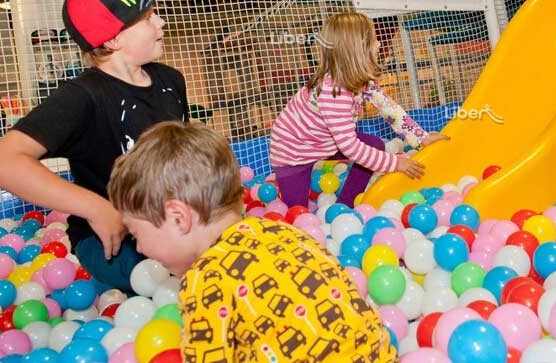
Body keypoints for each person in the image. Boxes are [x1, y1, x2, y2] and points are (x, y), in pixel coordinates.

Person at [108, 120, 396, 361]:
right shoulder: (286, 233)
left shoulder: (206, 278)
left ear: (178, 218)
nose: (141, 248)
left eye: (136, 235)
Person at [0, 0, 188, 292]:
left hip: (172, 224)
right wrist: (96, 208)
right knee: (165, 282)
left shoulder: (170, 81)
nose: (161, 22)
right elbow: (0, 163)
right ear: (112, 39)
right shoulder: (83, 97)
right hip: (115, 238)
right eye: (147, 18)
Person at [269, 12, 448, 207]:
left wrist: (421, 138)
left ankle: (346, 205)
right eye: (373, 40)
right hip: (293, 153)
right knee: (297, 212)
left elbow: (389, 109)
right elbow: (350, 147)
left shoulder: (362, 79)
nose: (379, 44)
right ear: (357, 50)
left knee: (374, 145)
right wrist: (395, 163)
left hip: (324, 142)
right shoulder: (334, 94)